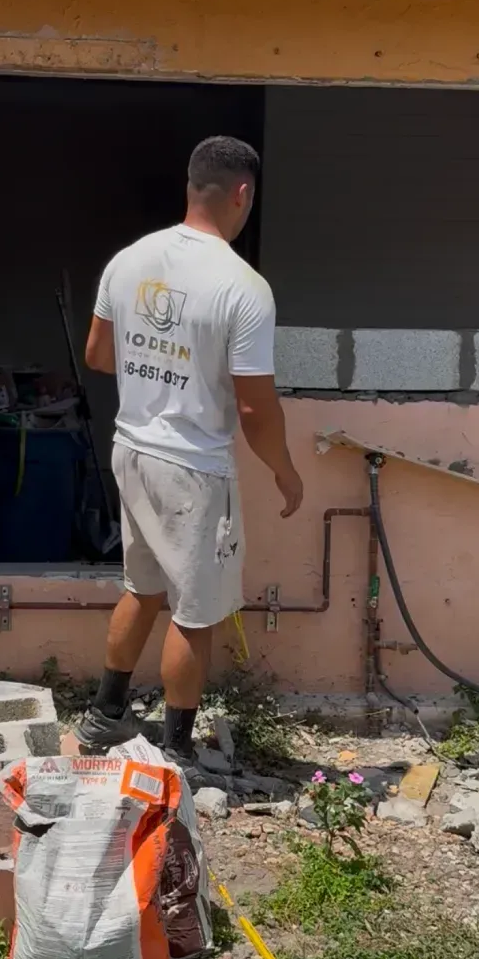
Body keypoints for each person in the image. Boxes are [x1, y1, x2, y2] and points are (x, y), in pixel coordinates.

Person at [74, 135, 303, 776]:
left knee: (142, 587)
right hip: (194, 468)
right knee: (194, 613)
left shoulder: (128, 260)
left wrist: (157, 365)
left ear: (190, 186)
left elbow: (97, 355)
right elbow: (256, 410)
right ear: (243, 194)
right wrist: (285, 471)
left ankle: (104, 717)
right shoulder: (243, 287)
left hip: (133, 448)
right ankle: (175, 753)